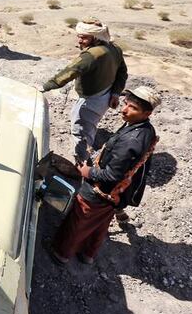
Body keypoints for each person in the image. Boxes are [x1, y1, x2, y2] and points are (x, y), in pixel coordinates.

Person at [51, 86, 160, 265]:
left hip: (100, 191)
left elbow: (112, 175)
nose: (124, 110)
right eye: (126, 104)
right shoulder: (144, 128)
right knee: (100, 223)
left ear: (147, 113)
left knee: (78, 220)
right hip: (114, 195)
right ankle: (88, 254)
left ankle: (61, 253)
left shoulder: (132, 140)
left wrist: (87, 172)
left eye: (133, 108)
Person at [42, 18, 128, 164]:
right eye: (79, 36)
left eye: (84, 37)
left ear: (95, 37)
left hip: (91, 100)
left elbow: (70, 72)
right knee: (89, 125)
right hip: (106, 95)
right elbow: (122, 72)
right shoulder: (114, 48)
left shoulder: (91, 55)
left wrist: (45, 87)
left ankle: (81, 163)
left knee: (79, 131)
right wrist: (115, 93)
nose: (79, 41)